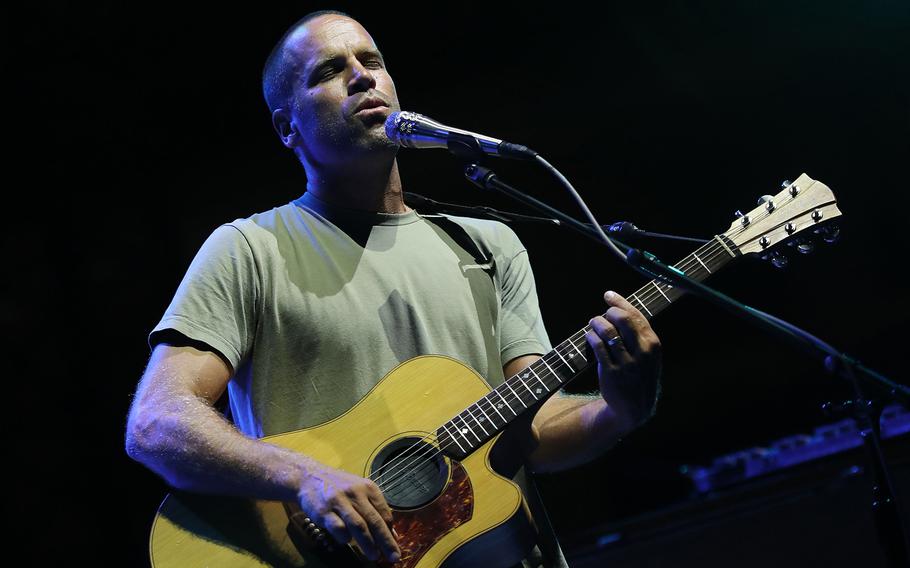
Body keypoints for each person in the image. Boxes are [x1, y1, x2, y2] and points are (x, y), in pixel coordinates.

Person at [125, 10, 662, 568]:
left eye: (372, 61)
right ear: (288, 128)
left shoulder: (487, 246)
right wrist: (302, 475)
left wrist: (621, 409)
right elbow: (157, 421)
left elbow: (532, 431)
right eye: (330, 70)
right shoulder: (249, 248)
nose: (362, 77)